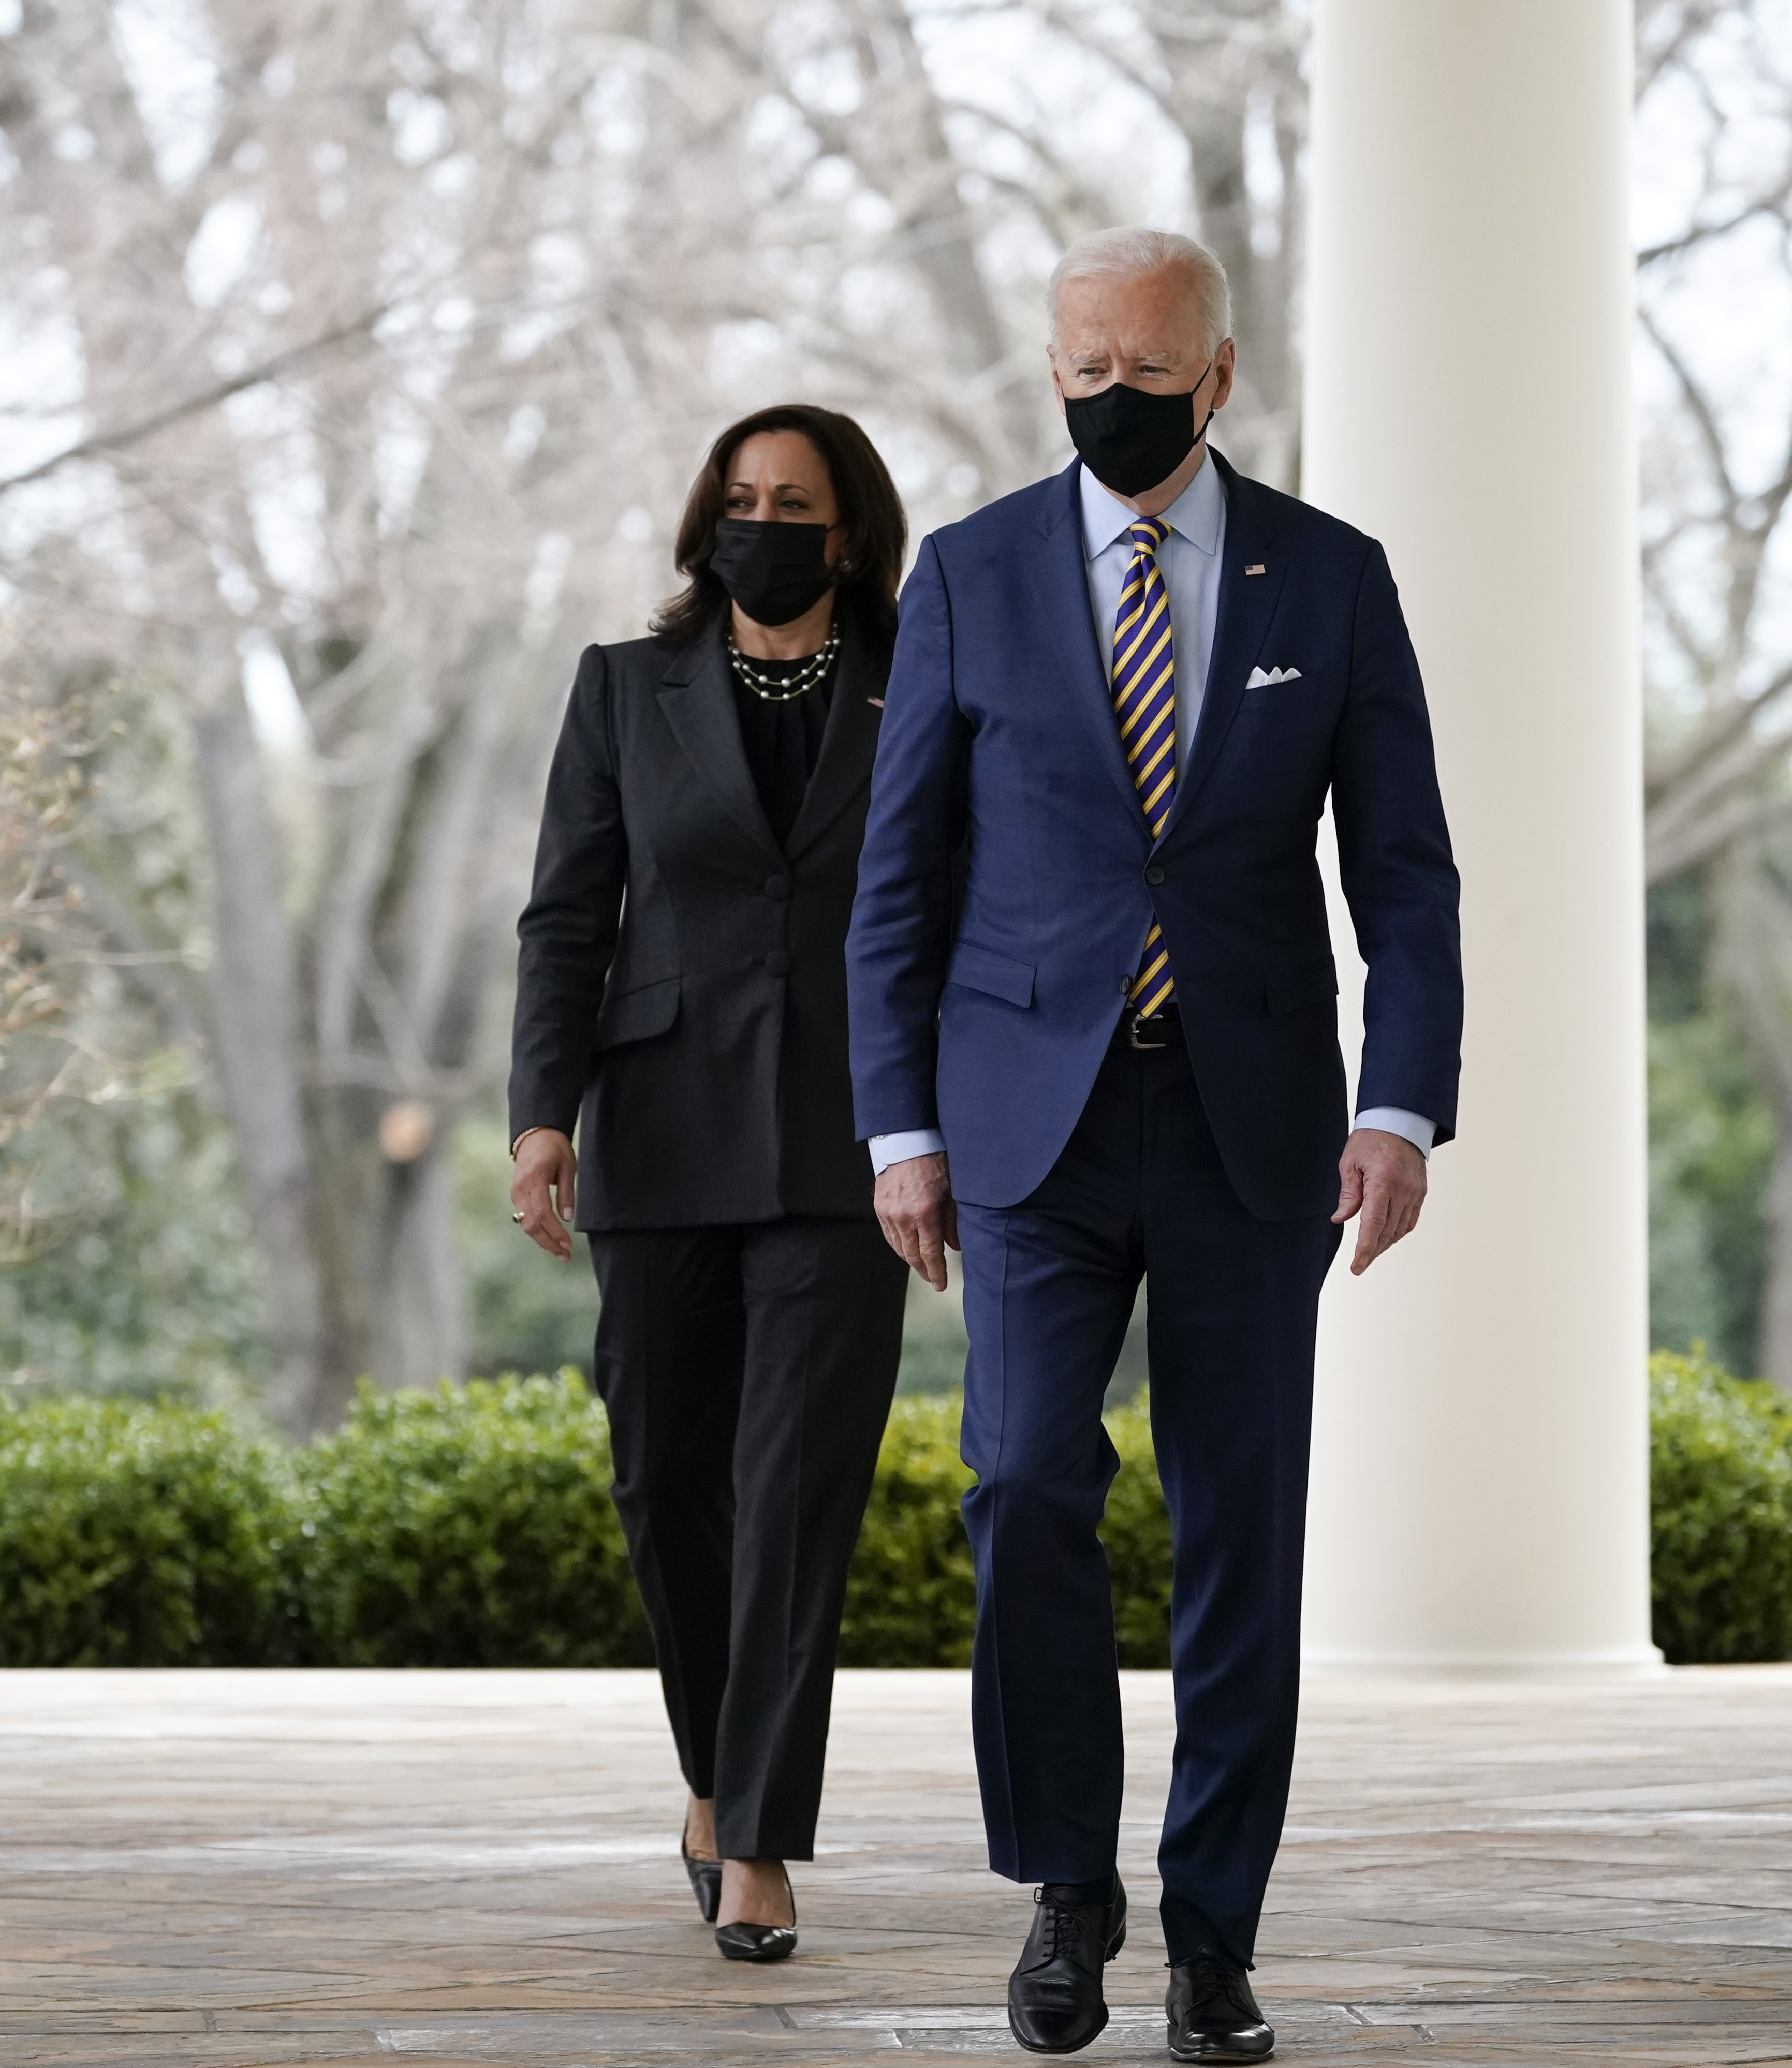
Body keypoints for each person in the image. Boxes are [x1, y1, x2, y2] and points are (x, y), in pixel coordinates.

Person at [846, 228, 1462, 2063]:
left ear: (1220, 367)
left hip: (1252, 1123)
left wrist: (1401, 1102)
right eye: (1082, 364)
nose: (1112, 394)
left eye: (1147, 366)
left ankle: (1212, 1933)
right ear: (1052, 367)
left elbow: (1407, 873)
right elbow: (900, 883)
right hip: (1027, 1122)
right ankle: (1065, 1891)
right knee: (1027, 1483)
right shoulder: (967, 576)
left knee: (1240, 1532)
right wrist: (899, 1122)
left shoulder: (1329, 579)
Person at [507, 404, 913, 1967]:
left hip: (852, 1146)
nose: (765, 524)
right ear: (706, 520)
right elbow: (566, 917)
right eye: (741, 499)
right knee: (665, 1483)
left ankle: (756, 1842)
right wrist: (545, 1116)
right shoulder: (626, 687)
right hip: (661, 1132)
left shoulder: (918, 681)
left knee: (798, 1502)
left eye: (795, 503)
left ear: (850, 532)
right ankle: (711, 1778)